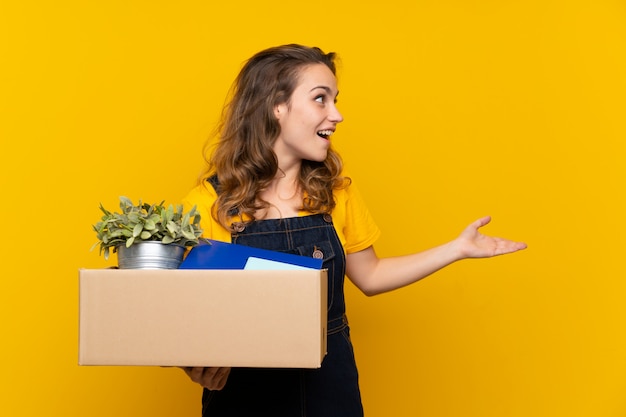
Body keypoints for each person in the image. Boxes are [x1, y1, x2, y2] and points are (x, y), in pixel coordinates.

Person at [180, 44, 527, 417]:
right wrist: (195, 363)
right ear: (276, 107)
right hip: (244, 390)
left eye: (335, 100)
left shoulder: (336, 193)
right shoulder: (209, 203)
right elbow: (187, 310)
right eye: (320, 99)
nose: (337, 115)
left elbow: (370, 275)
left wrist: (456, 249)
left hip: (329, 385)